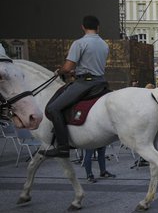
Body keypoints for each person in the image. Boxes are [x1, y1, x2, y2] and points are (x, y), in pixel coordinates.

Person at [41, 16, 109, 157]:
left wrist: (59, 71)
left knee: (53, 108)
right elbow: (92, 64)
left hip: (85, 83)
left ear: (83, 27)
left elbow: (68, 67)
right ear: (98, 27)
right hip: (101, 81)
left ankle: (63, 147)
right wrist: (76, 71)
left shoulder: (79, 43)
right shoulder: (104, 44)